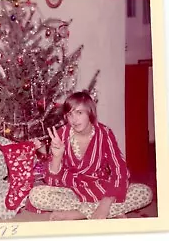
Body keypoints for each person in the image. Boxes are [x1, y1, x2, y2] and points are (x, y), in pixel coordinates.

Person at [28, 91, 153, 220]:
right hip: (71, 189)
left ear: (90, 113)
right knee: (36, 196)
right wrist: (57, 156)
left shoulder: (104, 133)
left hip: (100, 188)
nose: (74, 119)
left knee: (144, 193)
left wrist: (105, 203)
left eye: (79, 113)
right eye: (70, 114)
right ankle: (106, 211)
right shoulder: (61, 134)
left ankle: (78, 214)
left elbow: (119, 168)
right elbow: (51, 181)